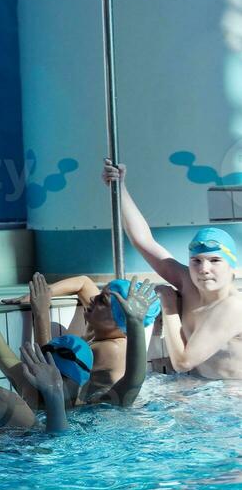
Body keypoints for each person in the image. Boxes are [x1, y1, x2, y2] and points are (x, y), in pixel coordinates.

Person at [0, 260, 159, 415]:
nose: (93, 298)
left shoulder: (31, 390)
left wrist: (135, 324)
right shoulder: (95, 404)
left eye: (102, 301)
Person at [103, 159, 242, 379]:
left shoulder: (233, 307)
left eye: (215, 261)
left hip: (232, 401)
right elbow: (143, 241)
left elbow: (182, 362)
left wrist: (169, 306)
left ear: (232, 269)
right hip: (202, 391)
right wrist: (120, 187)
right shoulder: (188, 281)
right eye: (196, 261)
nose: (204, 269)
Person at [20, 273, 157, 396]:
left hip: (101, 413)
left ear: (119, 320)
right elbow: (84, 282)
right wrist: (44, 293)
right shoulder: (102, 326)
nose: (92, 298)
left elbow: (47, 367)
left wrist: (41, 312)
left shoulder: (111, 349)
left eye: (102, 300)